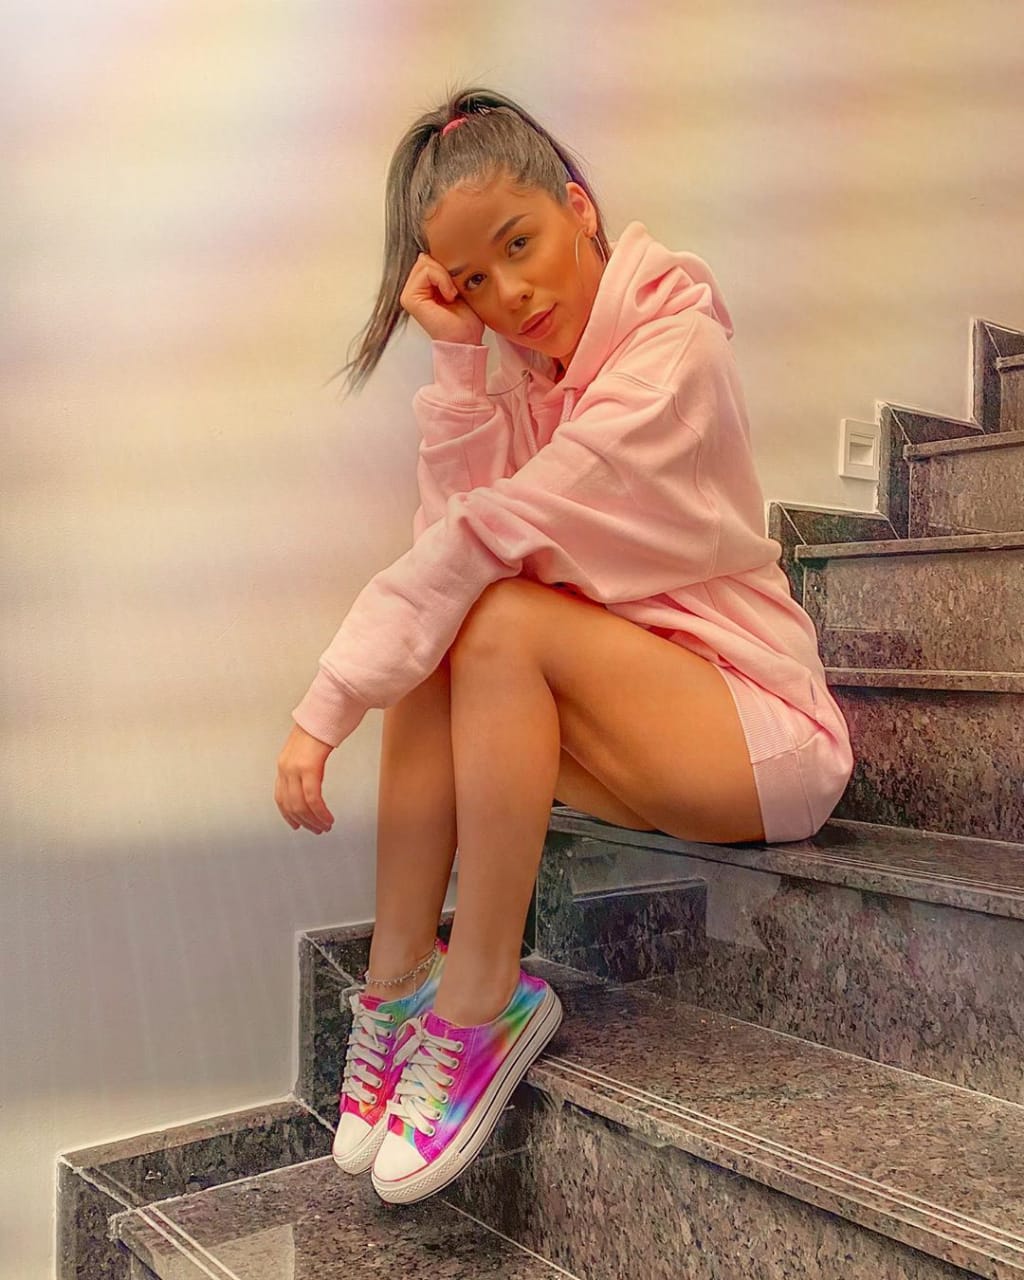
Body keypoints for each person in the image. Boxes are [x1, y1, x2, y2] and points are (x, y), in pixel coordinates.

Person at [273, 84, 855, 1204]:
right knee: (448, 637)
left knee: (487, 614)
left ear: (580, 210)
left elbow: (492, 538)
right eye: (473, 281)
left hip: (760, 735)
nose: (509, 295)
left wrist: (327, 701)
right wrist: (458, 364)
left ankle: (482, 999)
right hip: (638, 729)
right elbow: (453, 547)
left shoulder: (672, 354)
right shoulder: (535, 381)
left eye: (519, 244)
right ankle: (400, 982)